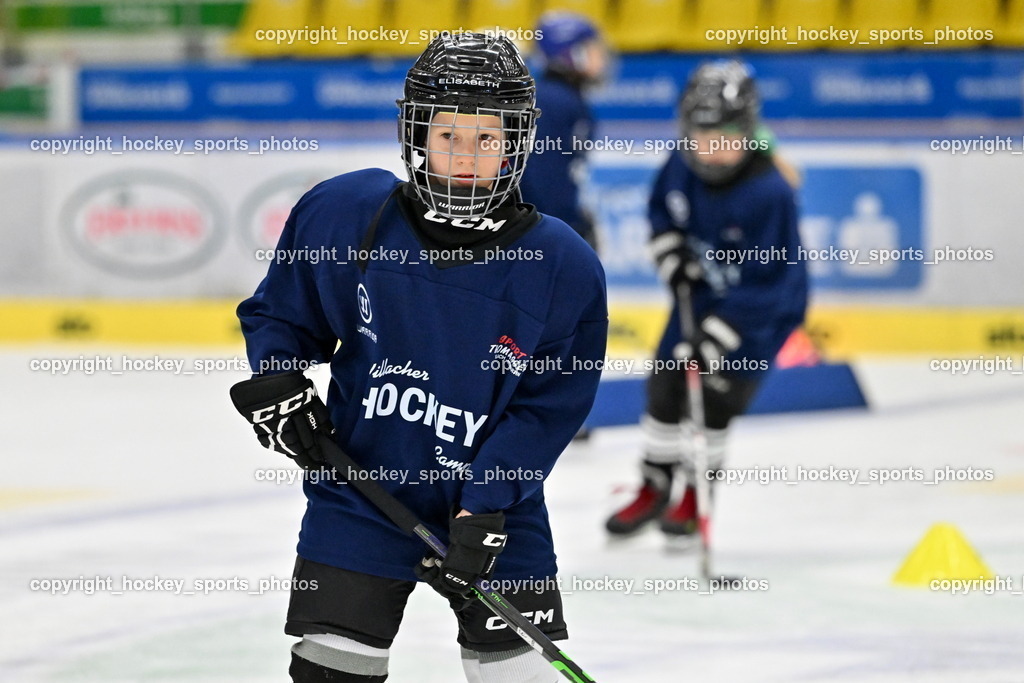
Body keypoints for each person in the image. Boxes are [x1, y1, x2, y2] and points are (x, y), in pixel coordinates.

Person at [229, 32, 607, 683]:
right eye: (447, 135)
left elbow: (547, 409)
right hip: (359, 492)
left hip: (493, 509)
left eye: (486, 139)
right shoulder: (346, 213)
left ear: (517, 142)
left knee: (515, 672)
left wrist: (485, 503)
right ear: (414, 133)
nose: (465, 157)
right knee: (331, 673)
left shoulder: (560, 264)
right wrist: (278, 379)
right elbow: (282, 316)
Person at [605, 60, 807, 540]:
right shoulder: (679, 165)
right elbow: (661, 214)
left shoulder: (768, 193)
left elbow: (768, 283)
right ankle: (655, 483)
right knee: (664, 383)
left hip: (761, 312)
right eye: (703, 137)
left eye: (727, 138)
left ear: (750, 132)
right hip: (698, 294)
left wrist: (716, 340)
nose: (713, 151)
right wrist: (671, 253)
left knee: (716, 397)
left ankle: (698, 493)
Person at [519, 12, 608, 250]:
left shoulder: (557, 98)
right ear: (571, 55)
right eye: (592, 49)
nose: (601, 57)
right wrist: (569, 227)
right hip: (535, 234)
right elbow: (546, 178)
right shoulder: (556, 103)